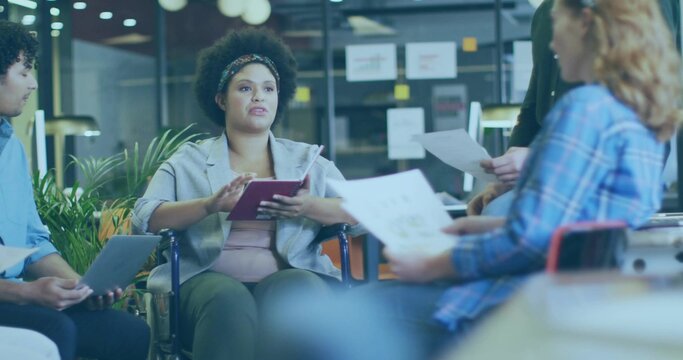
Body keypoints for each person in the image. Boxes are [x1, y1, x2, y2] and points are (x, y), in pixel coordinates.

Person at [362, 0, 682, 358]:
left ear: (585, 24)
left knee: (334, 310)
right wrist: (480, 229)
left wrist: (434, 264)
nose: (551, 44)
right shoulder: (640, 117)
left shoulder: (585, 109)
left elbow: (529, 241)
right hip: (569, 295)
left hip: (514, 301)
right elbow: (580, 227)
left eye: (558, 24)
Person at [133, 28, 359, 360]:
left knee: (298, 291)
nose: (259, 97)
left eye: (269, 89)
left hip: (287, 274)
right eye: (245, 88)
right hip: (205, 279)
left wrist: (309, 206)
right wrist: (209, 206)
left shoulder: (306, 160)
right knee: (227, 298)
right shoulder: (189, 160)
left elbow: (360, 211)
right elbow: (145, 219)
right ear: (221, 99)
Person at [0, 20, 150, 360]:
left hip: (20, 296)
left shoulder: (11, 149)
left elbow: (33, 243)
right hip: (9, 297)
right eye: (23, 72)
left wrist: (80, 287)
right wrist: (26, 294)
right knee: (56, 330)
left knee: (128, 332)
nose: (34, 83)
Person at [468, 0, 680, 216]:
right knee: (494, 214)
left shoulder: (591, 105)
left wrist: (536, 162)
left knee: (497, 215)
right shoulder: (545, 13)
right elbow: (533, 108)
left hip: (588, 187)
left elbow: (643, 104)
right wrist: (505, 179)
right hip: (562, 185)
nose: (554, 46)